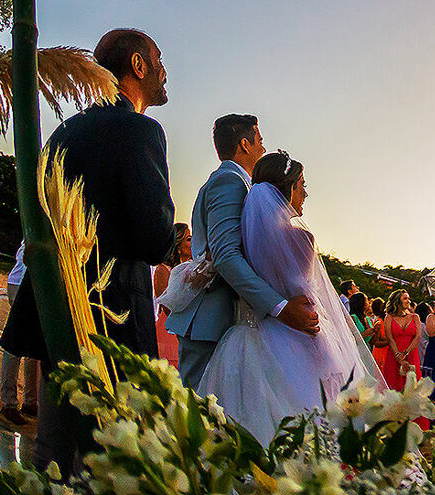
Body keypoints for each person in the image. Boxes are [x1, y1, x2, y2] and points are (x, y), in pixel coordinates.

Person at [1, 29, 180, 472]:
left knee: (51, 452)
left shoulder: (65, 131)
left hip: (55, 310)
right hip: (110, 318)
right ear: (138, 65)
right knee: (104, 460)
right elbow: (155, 238)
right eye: (159, 60)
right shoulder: (141, 131)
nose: (164, 71)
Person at [197, 151, 383, 444]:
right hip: (297, 334)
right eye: (302, 185)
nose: (305, 193)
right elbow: (307, 295)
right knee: (315, 419)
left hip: (248, 333)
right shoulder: (302, 238)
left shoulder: (242, 238)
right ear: (288, 188)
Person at [167, 114, 319, 389]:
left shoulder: (240, 184)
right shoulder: (229, 181)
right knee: (197, 405)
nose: (263, 147)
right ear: (245, 145)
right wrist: (281, 308)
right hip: (212, 319)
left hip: (229, 319)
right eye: (260, 140)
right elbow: (226, 256)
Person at [0, 241, 38, 425]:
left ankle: (31, 400)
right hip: (22, 282)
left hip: (37, 283)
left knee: (35, 345)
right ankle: (9, 402)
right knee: (15, 342)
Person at [152, 224, 192, 369]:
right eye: (189, 239)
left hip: (187, 332)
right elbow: (167, 306)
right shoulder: (163, 269)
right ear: (178, 246)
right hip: (169, 333)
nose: (193, 242)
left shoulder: (193, 270)